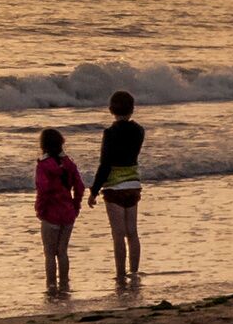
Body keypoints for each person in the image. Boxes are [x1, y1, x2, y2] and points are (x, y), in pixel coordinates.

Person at [95, 90, 147, 286]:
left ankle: (120, 274)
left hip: (114, 187)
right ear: (132, 109)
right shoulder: (139, 131)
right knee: (132, 232)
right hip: (134, 184)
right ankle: (134, 272)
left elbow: (105, 164)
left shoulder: (110, 133)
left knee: (118, 234)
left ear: (111, 110)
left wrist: (93, 190)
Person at [32, 126, 86, 296]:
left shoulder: (43, 166)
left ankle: (51, 285)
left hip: (51, 214)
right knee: (62, 251)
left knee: (49, 253)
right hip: (67, 212)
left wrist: (40, 210)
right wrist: (75, 206)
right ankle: (64, 283)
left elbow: (44, 189)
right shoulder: (69, 164)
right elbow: (79, 187)